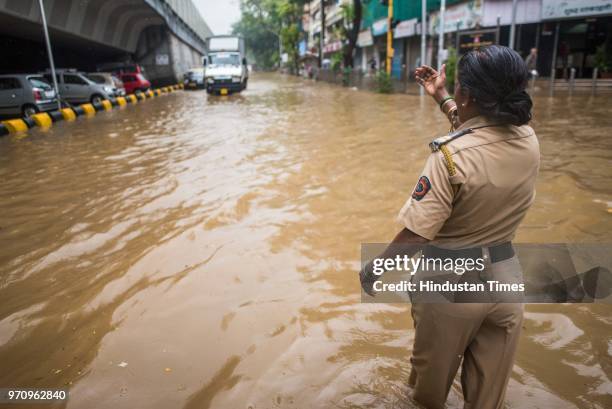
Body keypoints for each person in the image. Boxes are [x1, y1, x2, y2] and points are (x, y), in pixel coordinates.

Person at [360, 45, 539, 408]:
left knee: (427, 394)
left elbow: (417, 234)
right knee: (489, 398)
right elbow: (481, 133)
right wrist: (442, 97)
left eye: (457, 86)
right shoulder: (529, 140)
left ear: (468, 95)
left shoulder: (447, 156)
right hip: (506, 279)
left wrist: (374, 269)